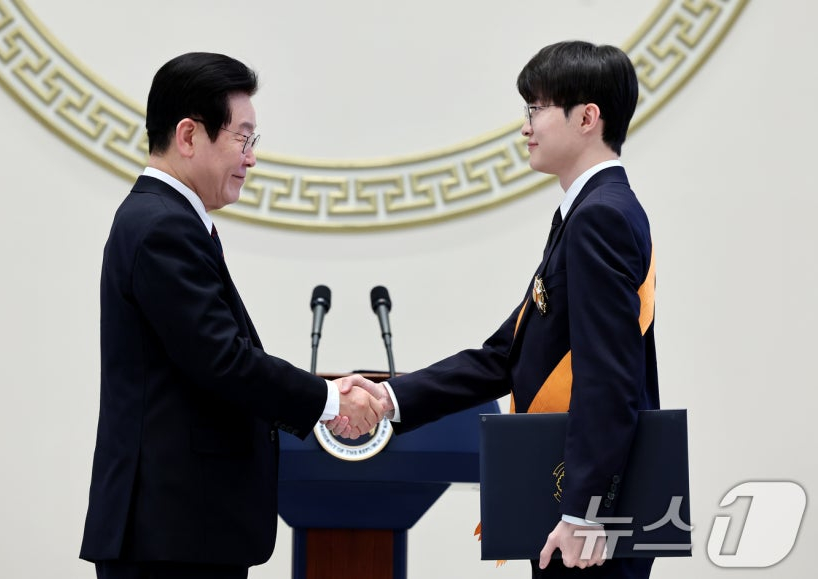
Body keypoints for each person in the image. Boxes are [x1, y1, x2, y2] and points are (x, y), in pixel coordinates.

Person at [329, 40, 658, 578]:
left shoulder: (601, 217)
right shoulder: (589, 213)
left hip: (586, 524)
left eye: (536, 109)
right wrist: (390, 397)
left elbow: (609, 377)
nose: (525, 127)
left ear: (586, 118)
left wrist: (584, 511)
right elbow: (506, 355)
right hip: (575, 508)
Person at [79, 52, 382, 579]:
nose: (251, 158)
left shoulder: (165, 219)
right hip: (169, 534)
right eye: (242, 139)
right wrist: (330, 399)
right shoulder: (162, 226)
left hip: (180, 530)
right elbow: (222, 360)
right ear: (189, 135)